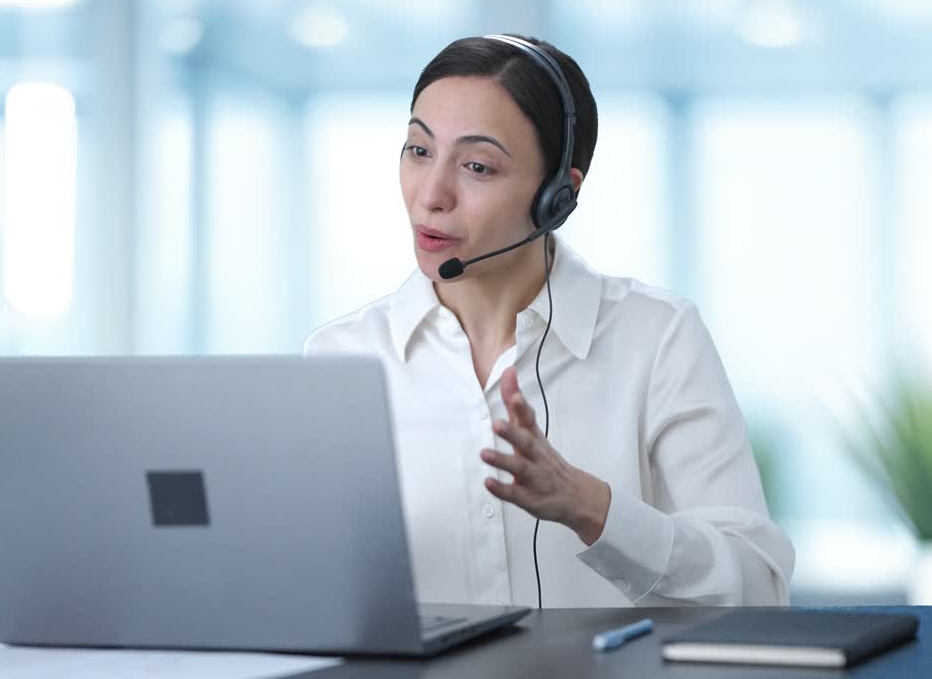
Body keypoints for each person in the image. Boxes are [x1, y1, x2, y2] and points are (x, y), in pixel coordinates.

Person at [303, 34, 793, 608]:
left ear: (558, 197)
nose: (431, 195)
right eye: (418, 150)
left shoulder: (657, 338)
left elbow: (758, 588)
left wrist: (591, 507)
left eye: (478, 166)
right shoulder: (342, 356)